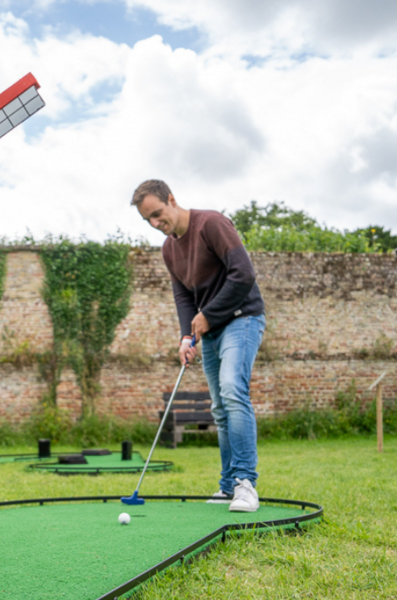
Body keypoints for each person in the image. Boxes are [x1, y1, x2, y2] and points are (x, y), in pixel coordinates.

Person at [131, 179, 265, 512]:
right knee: (219, 409)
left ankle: (246, 484)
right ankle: (227, 486)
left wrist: (208, 315)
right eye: (148, 220)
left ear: (172, 200)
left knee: (234, 391)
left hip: (242, 318)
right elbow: (183, 297)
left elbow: (243, 274)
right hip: (213, 328)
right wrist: (185, 335)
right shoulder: (168, 249)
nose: (155, 224)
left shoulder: (212, 224)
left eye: (158, 214)